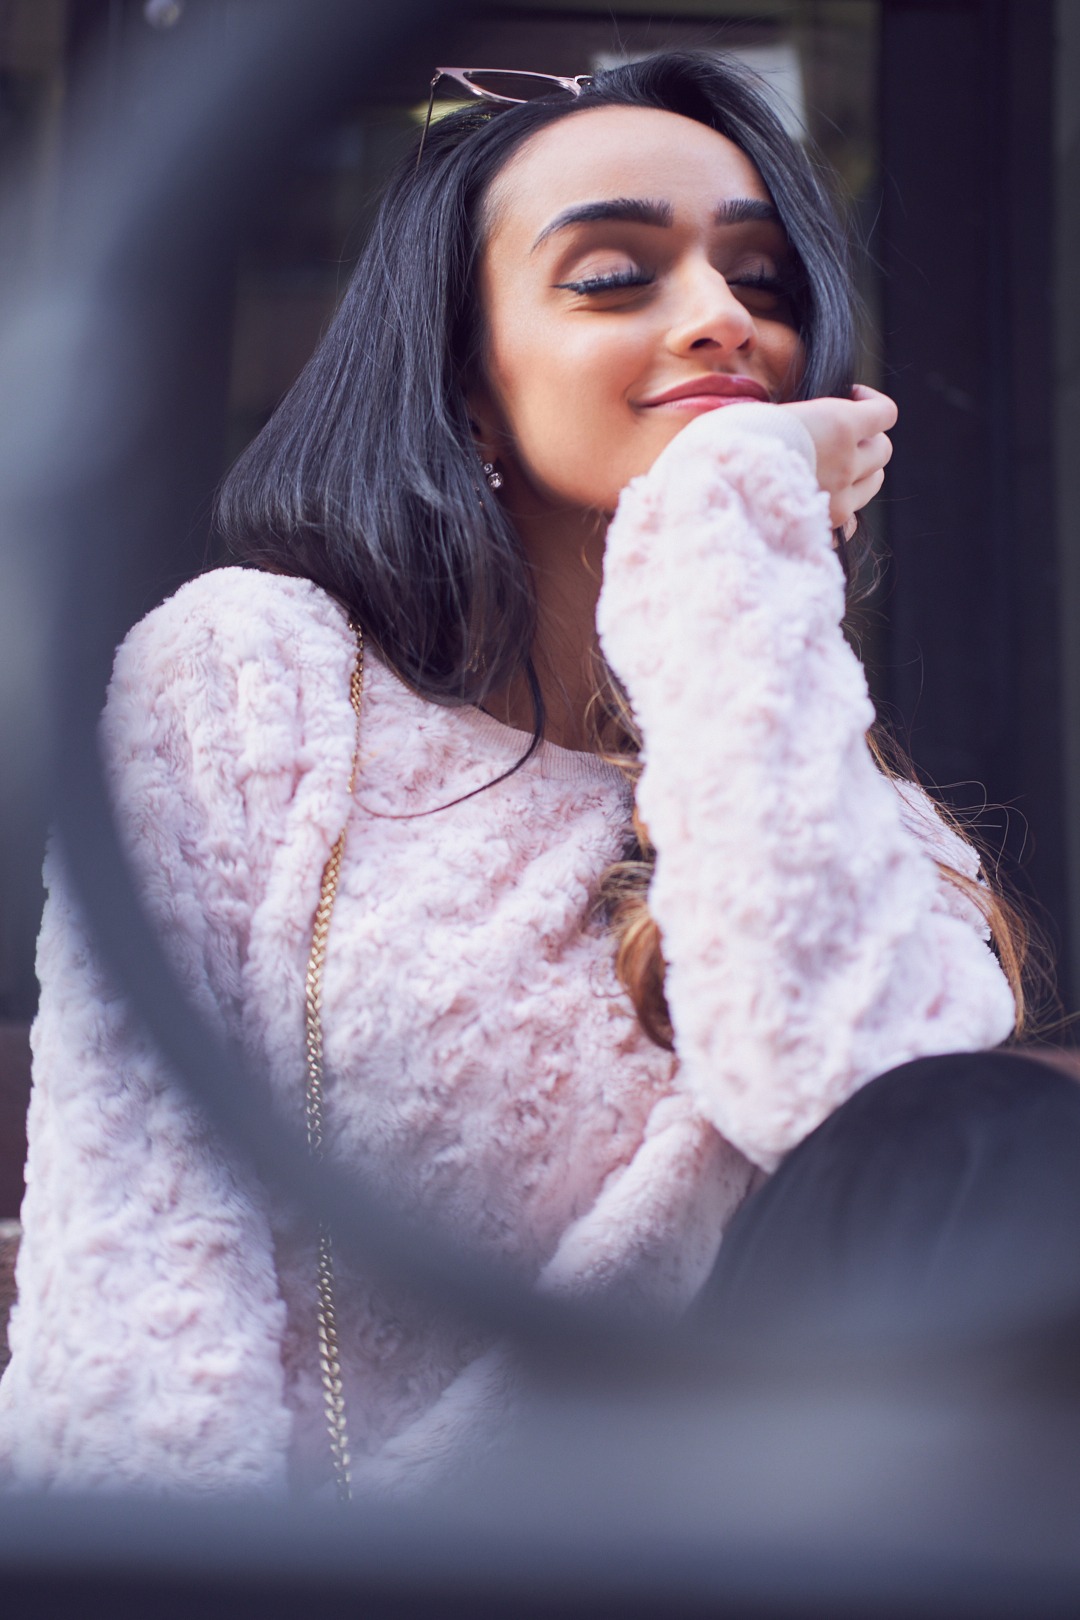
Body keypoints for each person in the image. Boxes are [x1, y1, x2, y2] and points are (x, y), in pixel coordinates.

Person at [0, 51, 1056, 1500]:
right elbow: (135, 1253)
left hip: (749, 1531)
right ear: (466, 388)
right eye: (616, 275)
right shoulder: (254, 679)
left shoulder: (847, 810)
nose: (721, 323)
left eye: (766, 282)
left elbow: (871, 1143)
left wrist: (718, 540)